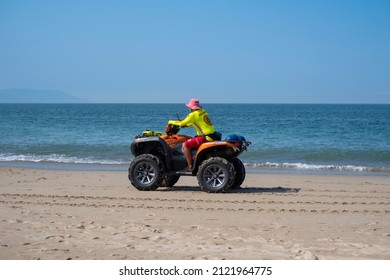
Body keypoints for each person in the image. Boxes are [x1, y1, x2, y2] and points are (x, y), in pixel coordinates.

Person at [167, 98, 219, 171]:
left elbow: (182, 123)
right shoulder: (203, 111)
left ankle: (190, 166)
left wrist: (170, 122)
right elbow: (197, 121)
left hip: (205, 137)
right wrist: (187, 125)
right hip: (213, 135)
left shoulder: (193, 115)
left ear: (191, 107)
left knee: (185, 145)